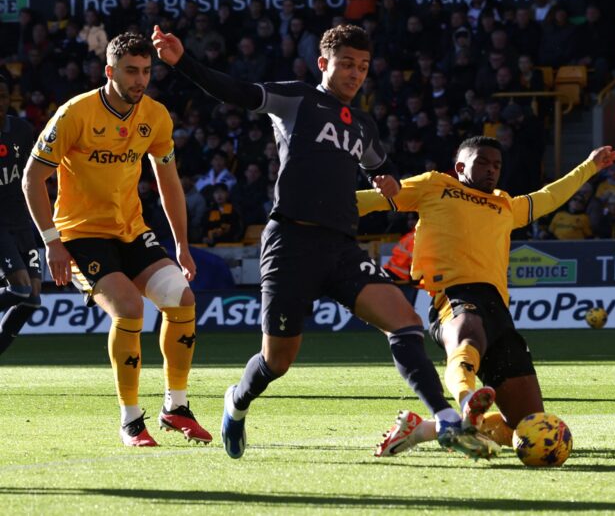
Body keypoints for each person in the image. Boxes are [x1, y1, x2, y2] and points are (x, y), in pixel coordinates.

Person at [151, 23, 492, 461]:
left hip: (341, 248)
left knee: (404, 322)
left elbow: (380, 165)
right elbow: (236, 91)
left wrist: (382, 177)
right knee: (278, 360)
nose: (355, 73)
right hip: (290, 242)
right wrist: (183, 64)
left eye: (363, 66)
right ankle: (236, 402)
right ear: (323, 63)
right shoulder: (298, 98)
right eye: (347, 63)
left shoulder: (364, 126)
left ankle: (444, 418)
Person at [357, 137, 615, 456]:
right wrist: (310, 205)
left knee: (527, 426)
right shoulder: (435, 185)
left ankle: (420, 429)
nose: (491, 169)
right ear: (460, 167)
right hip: (453, 295)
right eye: (483, 162)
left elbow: (549, 195)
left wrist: (589, 166)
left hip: (499, 313)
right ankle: (467, 400)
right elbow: (374, 199)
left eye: (497, 165)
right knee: (469, 335)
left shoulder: (506, 205)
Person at [22, 33, 210, 447]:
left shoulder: (156, 116)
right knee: (128, 309)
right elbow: (33, 178)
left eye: (146, 71)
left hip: (131, 230)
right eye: (131, 71)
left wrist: (181, 244)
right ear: (110, 71)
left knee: (182, 299)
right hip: (80, 234)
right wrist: (51, 241)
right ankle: (130, 420)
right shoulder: (75, 113)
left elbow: (169, 183)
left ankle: (174, 408)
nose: (140, 79)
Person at [0, 77, 41, 356]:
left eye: (3, 96)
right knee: (19, 290)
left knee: (33, 299)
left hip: (21, 221)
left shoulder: (22, 130)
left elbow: (35, 175)